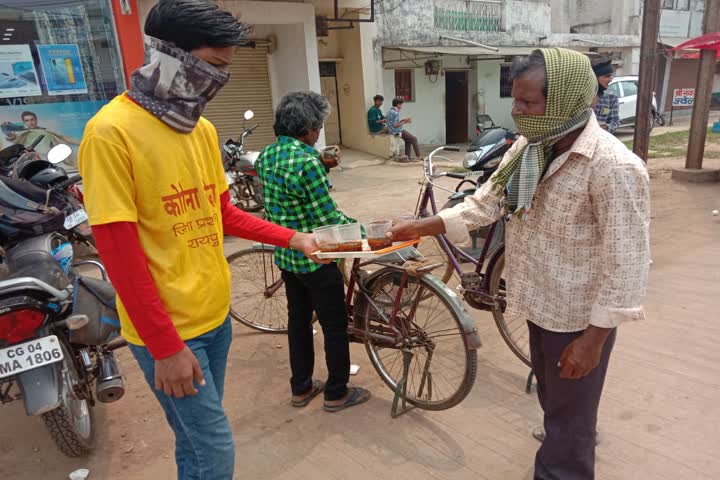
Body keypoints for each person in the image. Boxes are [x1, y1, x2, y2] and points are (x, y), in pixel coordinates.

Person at [78, 1, 322, 478]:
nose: (219, 81)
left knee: (194, 444)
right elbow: (121, 259)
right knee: (215, 452)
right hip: (169, 332)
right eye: (212, 66)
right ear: (165, 55)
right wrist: (166, 347)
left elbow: (223, 213)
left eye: (226, 69)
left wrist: (295, 238)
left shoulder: (201, 130)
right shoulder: (109, 134)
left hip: (216, 319)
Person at [390, 48, 650, 480]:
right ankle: (565, 435)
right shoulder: (532, 148)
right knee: (556, 401)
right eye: (516, 101)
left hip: (577, 319)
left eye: (529, 103)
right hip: (533, 302)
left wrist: (593, 340)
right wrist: (422, 225)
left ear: (567, 100)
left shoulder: (613, 167)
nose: (517, 112)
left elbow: (628, 265)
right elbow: (485, 203)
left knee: (570, 426)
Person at [256, 91, 371, 413]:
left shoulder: (266, 156)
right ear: (307, 128)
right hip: (317, 259)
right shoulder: (308, 163)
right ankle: (336, 392)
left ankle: (301, 387)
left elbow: (289, 198)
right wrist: (367, 230)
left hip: (287, 255)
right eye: (318, 127)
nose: (319, 133)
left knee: (299, 322)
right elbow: (328, 220)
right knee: (334, 326)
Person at [2, 111, 80, 167]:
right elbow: (14, 137)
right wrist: (7, 132)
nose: (30, 122)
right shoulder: (24, 133)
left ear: (36, 120)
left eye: (32, 119)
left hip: (50, 161)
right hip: (33, 162)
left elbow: (65, 138)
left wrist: (83, 142)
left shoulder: (47, 131)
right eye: (27, 120)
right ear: (24, 122)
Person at [592, 57, 620, 133]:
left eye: (611, 76)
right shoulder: (582, 97)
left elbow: (615, 121)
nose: (611, 79)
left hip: (601, 139)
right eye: (607, 76)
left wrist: (607, 127)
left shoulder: (611, 98)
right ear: (595, 77)